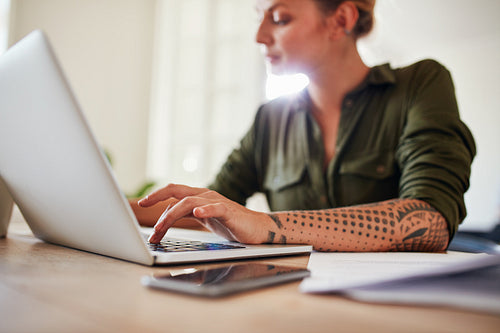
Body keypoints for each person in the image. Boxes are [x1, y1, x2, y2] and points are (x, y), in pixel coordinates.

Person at [137, 0, 475, 252]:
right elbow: (207, 211)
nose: (259, 36)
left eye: (279, 18)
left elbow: (430, 220)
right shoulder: (270, 120)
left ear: (340, 20)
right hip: (293, 301)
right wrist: (108, 208)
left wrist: (266, 226)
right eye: (259, 18)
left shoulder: (420, 84)